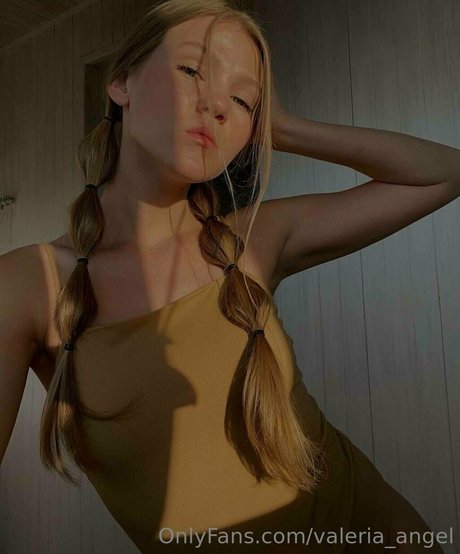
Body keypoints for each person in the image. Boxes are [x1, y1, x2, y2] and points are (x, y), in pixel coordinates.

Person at [1, 0, 458, 552]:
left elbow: (441, 174)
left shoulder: (252, 240)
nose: (217, 104)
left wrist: (284, 128)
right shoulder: (29, 283)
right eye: (192, 69)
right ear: (121, 83)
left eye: (243, 100)